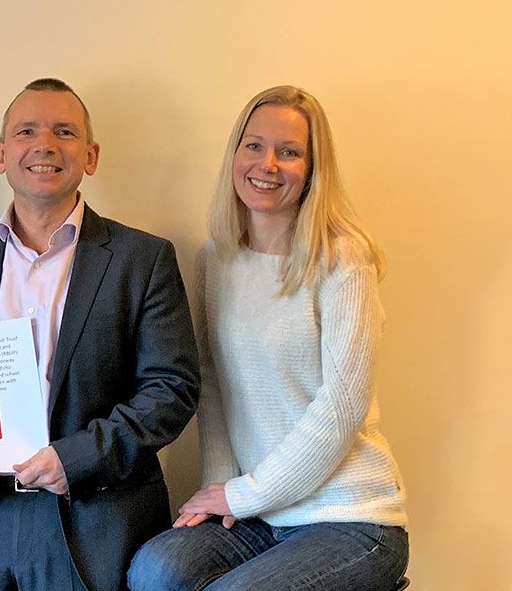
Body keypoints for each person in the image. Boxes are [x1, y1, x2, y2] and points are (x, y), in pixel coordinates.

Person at [0, 78, 200, 591]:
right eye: (26, 131)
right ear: (0, 155)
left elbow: (171, 389)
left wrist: (79, 458)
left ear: (91, 155)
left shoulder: (143, 258)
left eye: (64, 131)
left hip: (94, 522)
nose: (44, 144)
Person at [125, 85, 410, 591]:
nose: (268, 164)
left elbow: (342, 407)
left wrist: (244, 495)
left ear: (314, 169)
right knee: (154, 571)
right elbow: (213, 386)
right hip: (256, 516)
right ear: (235, 154)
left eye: (290, 151)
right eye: (254, 145)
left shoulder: (343, 260)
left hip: (348, 517)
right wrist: (221, 492)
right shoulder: (216, 259)